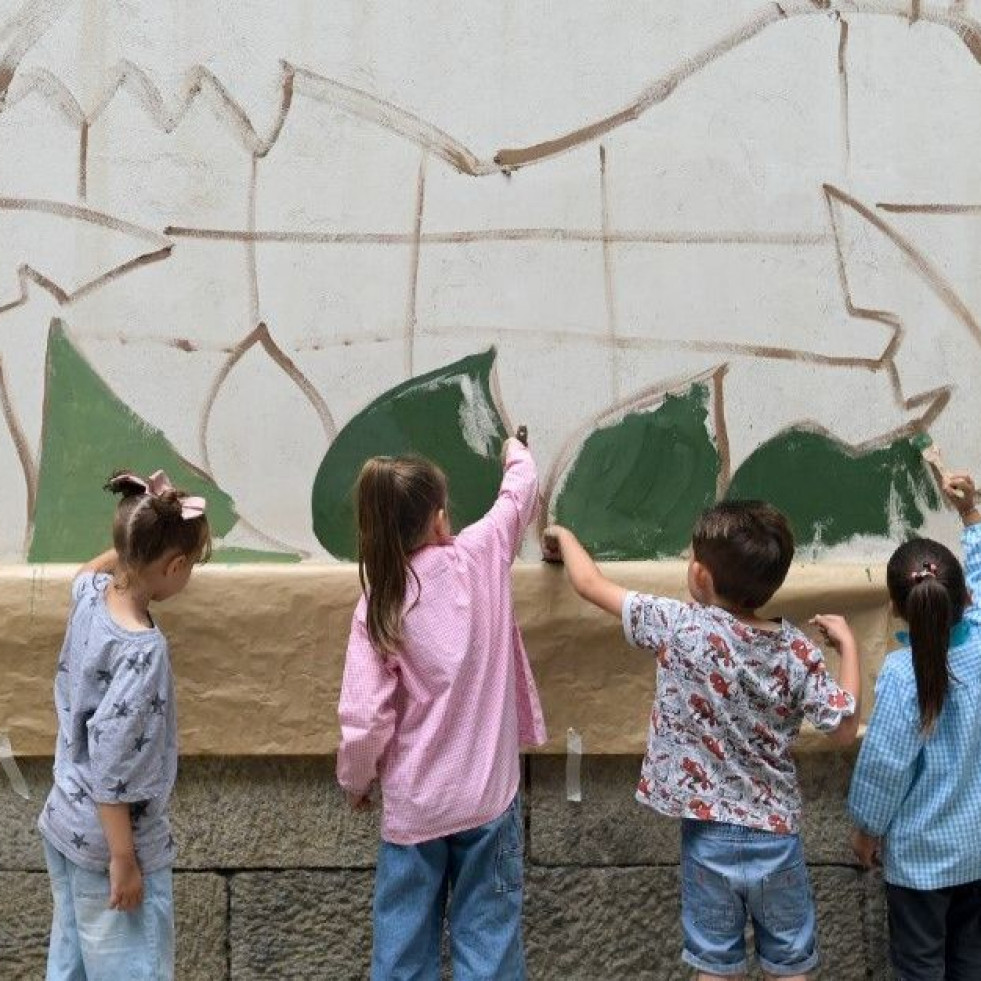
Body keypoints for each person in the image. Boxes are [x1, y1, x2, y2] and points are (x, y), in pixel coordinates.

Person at [543, 501, 860, 981]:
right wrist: (850, 646)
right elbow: (843, 728)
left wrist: (562, 535)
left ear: (701, 576)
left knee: (714, 965)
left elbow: (589, 585)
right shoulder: (797, 650)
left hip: (708, 835)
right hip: (776, 836)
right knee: (792, 965)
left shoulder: (678, 625)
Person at [337, 434, 546, 980]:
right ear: (437, 519)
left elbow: (365, 720)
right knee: (490, 943)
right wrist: (513, 449)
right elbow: (519, 493)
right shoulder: (483, 553)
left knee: (403, 954)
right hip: (487, 802)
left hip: (415, 811)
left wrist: (356, 782)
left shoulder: (379, 602)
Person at [38, 470, 209, 981]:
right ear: (174, 566)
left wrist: (131, 545)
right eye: (192, 565)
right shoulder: (142, 652)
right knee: (132, 968)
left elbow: (85, 572)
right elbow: (113, 766)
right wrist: (124, 861)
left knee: (71, 962)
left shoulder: (91, 596)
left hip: (65, 821)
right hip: (111, 843)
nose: (190, 574)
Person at [849, 472, 981, 981]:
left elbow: (885, 766)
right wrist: (970, 515)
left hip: (922, 865)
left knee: (919, 967)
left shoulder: (904, 677)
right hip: (976, 851)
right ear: (965, 599)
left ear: (894, 608)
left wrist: (866, 829)